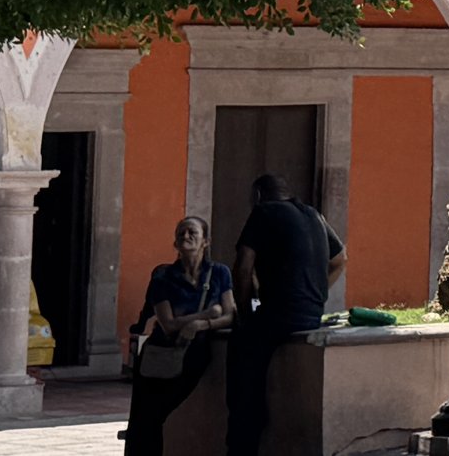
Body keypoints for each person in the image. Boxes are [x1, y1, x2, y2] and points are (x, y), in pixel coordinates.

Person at [229, 175, 345, 456]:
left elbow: (243, 268)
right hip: (311, 313)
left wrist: (244, 313)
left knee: (241, 359)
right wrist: (317, 291)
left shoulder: (263, 211)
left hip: (280, 313)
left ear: (258, 195)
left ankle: (242, 440)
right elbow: (340, 260)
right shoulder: (314, 215)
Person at [123, 216, 234, 456]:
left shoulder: (219, 273)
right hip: (158, 356)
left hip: (192, 357)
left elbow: (230, 315)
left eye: (192, 232)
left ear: (206, 241)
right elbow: (168, 324)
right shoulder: (162, 277)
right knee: (145, 420)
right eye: (181, 233)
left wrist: (203, 324)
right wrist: (205, 313)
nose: (186, 236)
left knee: (159, 415)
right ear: (174, 242)